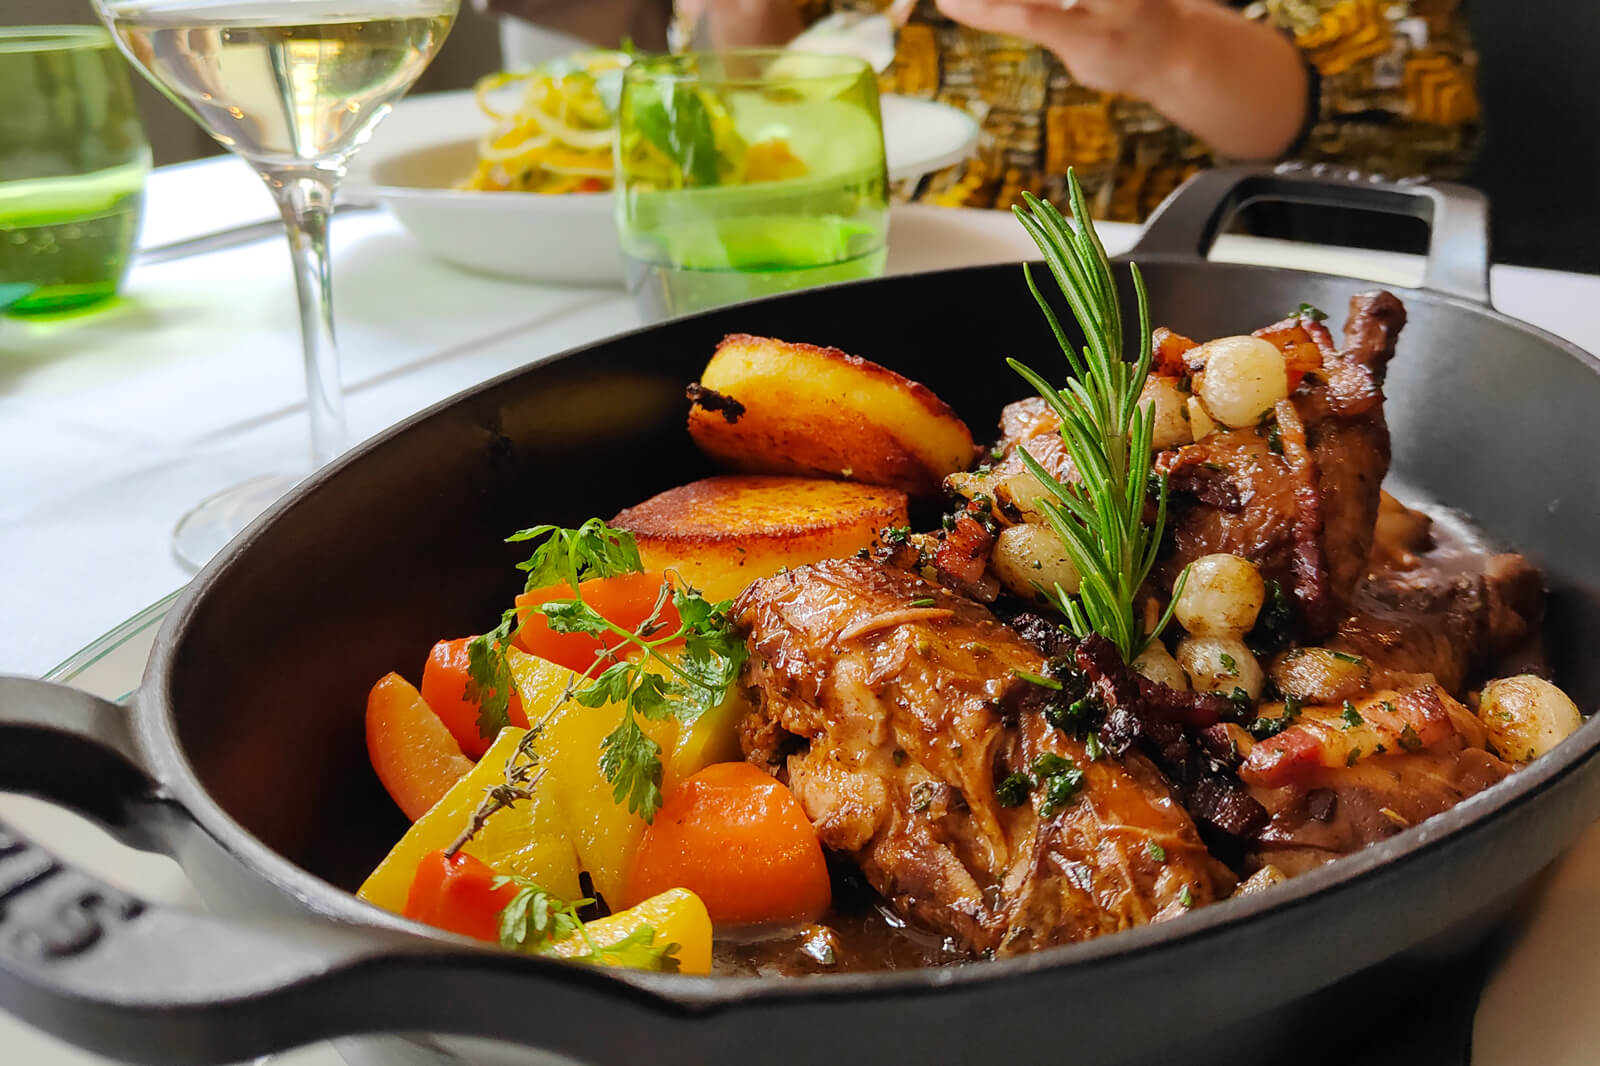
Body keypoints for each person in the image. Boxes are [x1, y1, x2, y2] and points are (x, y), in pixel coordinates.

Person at [478, 0, 1479, 222]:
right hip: (846, 259)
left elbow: (1392, 99)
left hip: (1132, 290)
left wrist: (1162, 43)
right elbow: (735, 91)